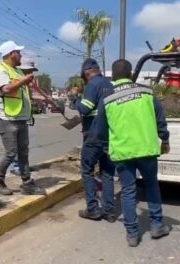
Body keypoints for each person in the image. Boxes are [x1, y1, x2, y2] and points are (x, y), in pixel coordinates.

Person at [94, 59, 171, 247]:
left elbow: (100, 131)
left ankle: (132, 234)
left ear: (113, 76)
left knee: (128, 191)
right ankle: (156, 226)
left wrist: (107, 147)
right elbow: (160, 119)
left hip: (123, 153)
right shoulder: (147, 93)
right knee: (152, 186)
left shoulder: (107, 99)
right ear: (131, 74)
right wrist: (165, 140)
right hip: (147, 150)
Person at [0, 40, 45, 195]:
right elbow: (6, 89)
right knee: (11, 153)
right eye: (18, 52)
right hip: (7, 119)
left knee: (23, 153)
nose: (20, 55)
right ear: (11, 54)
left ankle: (27, 183)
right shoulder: (0, 69)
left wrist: (36, 93)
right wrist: (23, 81)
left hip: (20, 118)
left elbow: (23, 92)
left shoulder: (17, 71)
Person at [70, 58, 116, 222]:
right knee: (107, 173)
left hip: (93, 137)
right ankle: (109, 211)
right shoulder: (110, 85)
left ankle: (93, 209)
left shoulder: (92, 85)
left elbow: (84, 108)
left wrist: (75, 97)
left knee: (87, 171)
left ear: (86, 73)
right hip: (109, 138)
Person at [9, 57, 49, 175]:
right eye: (29, 71)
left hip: (25, 117)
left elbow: (29, 96)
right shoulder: (16, 80)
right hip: (16, 117)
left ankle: (22, 166)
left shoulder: (26, 83)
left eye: (32, 71)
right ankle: (15, 166)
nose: (31, 73)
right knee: (16, 145)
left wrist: (44, 98)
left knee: (24, 145)